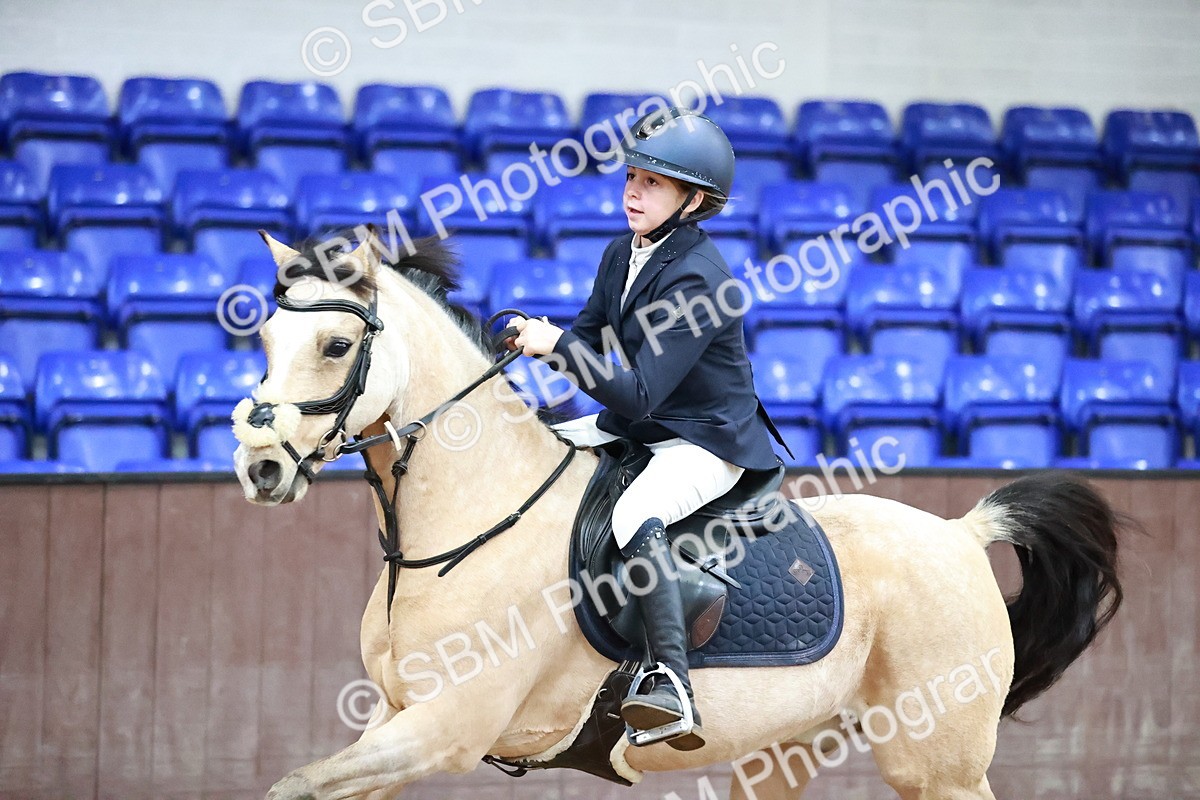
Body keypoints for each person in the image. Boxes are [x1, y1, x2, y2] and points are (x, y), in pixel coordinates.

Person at [506, 106, 791, 751]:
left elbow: (635, 394)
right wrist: (531, 338)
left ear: (694, 201)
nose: (633, 190)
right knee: (540, 453)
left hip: (703, 439)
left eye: (653, 183)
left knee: (636, 514)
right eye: (632, 176)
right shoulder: (623, 253)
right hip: (645, 427)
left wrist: (557, 348)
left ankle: (672, 681)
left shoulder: (700, 278)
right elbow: (584, 335)